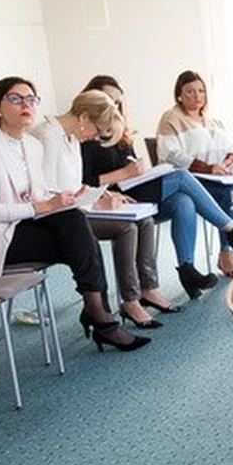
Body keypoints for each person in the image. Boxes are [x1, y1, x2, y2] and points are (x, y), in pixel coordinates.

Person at [0, 76, 149, 352]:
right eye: (15, 99)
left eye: (31, 99)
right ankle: (99, 314)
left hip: (19, 226)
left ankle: (99, 313)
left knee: (75, 221)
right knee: (79, 236)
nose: (26, 105)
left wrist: (66, 199)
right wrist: (44, 206)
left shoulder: (31, 146)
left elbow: (39, 194)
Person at [79, 75, 233, 300]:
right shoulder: (84, 135)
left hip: (131, 189)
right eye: (108, 100)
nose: (113, 107)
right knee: (180, 176)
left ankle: (187, 269)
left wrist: (137, 169)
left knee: (183, 201)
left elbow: (128, 165)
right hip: (112, 197)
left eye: (117, 102)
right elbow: (83, 180)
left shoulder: (118, 130)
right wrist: (123, 174)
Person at [29, 89, 173, 328]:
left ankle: (147, 289)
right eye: (98, 130)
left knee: (145, 221)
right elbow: (45, 192)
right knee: (126, 228)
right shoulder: (47, 136)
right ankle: (130, 301)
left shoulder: (71, 137)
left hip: (74, 209)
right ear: (84, 117)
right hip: (54, 218)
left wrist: (102, 194)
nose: (96, 137)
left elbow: (74, 185)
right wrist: (92, 199)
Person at [157, 70, 233, 277]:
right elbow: (170, 153)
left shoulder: (213, 121)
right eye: (190, 91)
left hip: (222, 176)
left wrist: (231, 161)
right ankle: (227, 251)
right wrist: (207, 168)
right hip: (194, 180)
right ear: (179, 95)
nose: (197, 95)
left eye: (201, 91)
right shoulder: (171, 118)